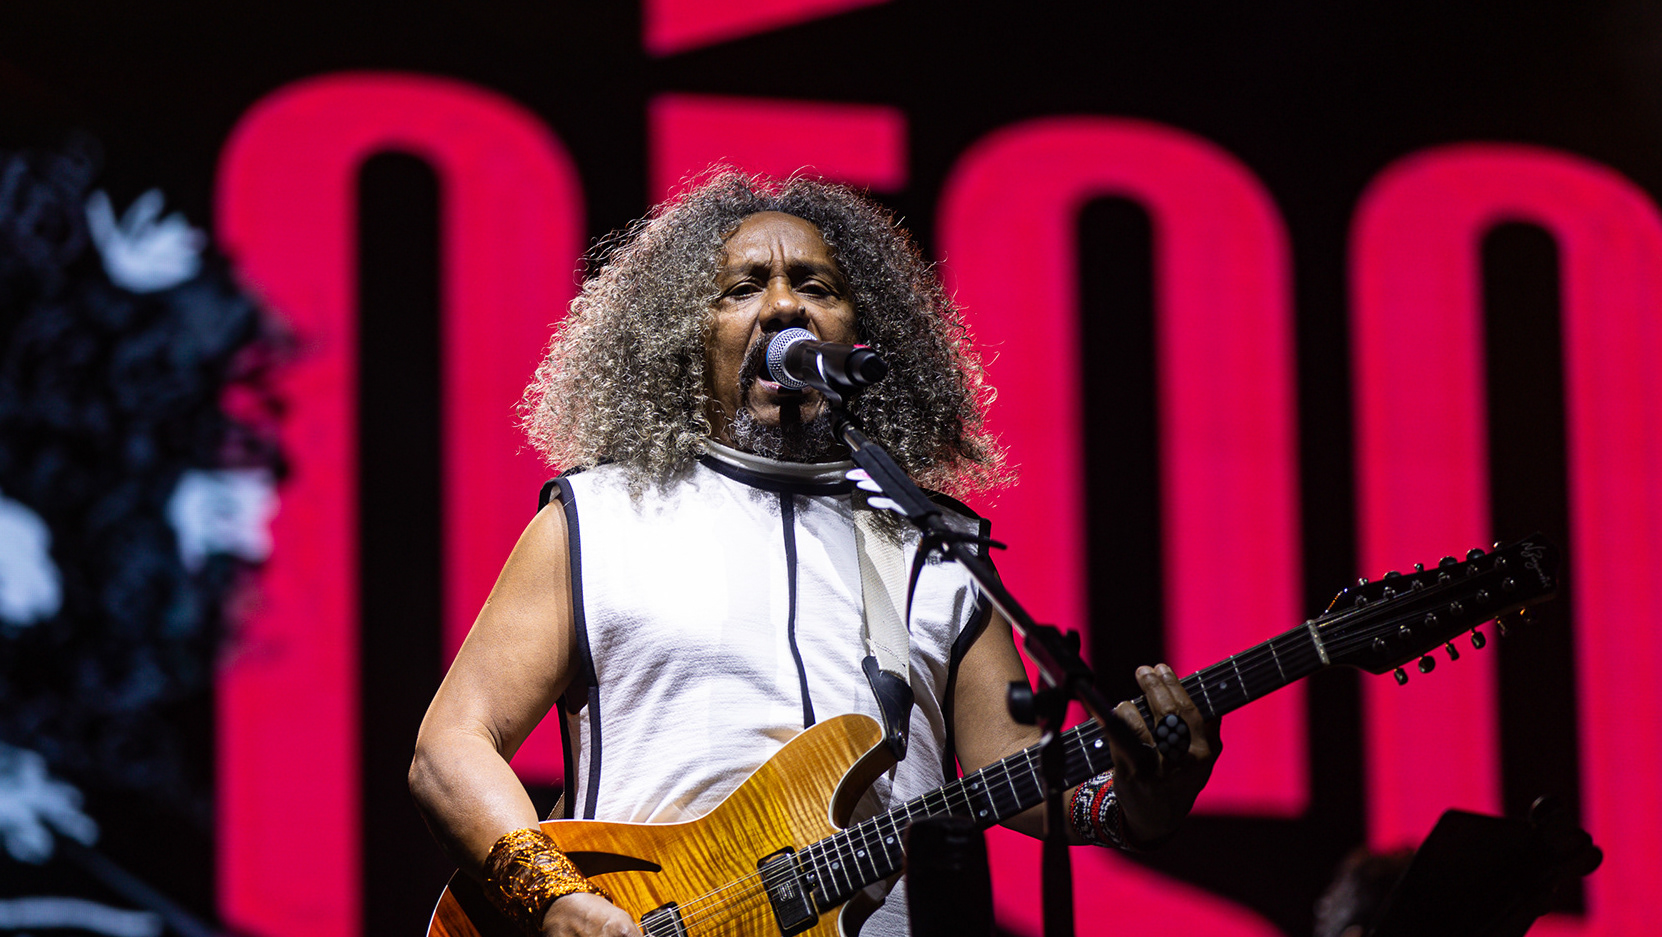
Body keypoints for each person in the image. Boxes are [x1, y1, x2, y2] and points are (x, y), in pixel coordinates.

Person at [409, 172, 1223, 937]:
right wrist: (556, 898)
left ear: (859, 332)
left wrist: (1139, 800)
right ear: (686, 336)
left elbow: (1016, 771)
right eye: (742, 288)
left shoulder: (936, 546)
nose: (782, 306)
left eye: (815, 285)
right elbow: (450, 746)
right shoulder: (598, 517)